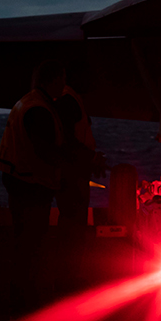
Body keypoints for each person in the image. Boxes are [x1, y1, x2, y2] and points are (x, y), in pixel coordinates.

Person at [0, 60, 72, 310]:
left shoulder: (29, 103)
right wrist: (72, 168)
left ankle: (22, 300)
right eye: (61, 78)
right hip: (31, 185)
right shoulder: (39, 109)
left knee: (25, 246)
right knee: (31, 247)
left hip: (20, 180)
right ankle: (25, 302)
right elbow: (45, 151)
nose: (64, 84)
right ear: (51, 80)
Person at [52, 84, 105, 291]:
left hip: (73, 172)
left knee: (71, 226)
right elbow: (68, 140)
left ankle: (68, 276)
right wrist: (91, 157)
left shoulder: (67, 99)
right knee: (73, 227)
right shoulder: (70, 100)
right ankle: (68, 279)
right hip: (73, 174)